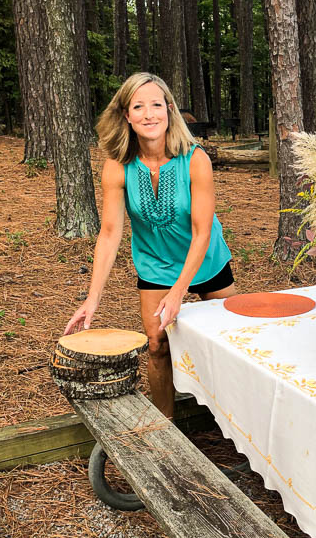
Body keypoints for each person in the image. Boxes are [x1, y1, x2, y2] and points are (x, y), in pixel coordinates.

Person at [64, 72, 236, 418]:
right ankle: (166, 427)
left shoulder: (195, 159)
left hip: (206, 260)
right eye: (138, 106)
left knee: (231, 342)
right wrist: (91, 300)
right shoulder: (117, 166)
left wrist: (178, 292)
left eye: (156, 104)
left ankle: (232, 417)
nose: (148, 114)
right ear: (126, 115)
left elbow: (202, 231)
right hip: (156, 264)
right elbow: (110, 234)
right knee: (157, 345)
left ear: (169, 110)